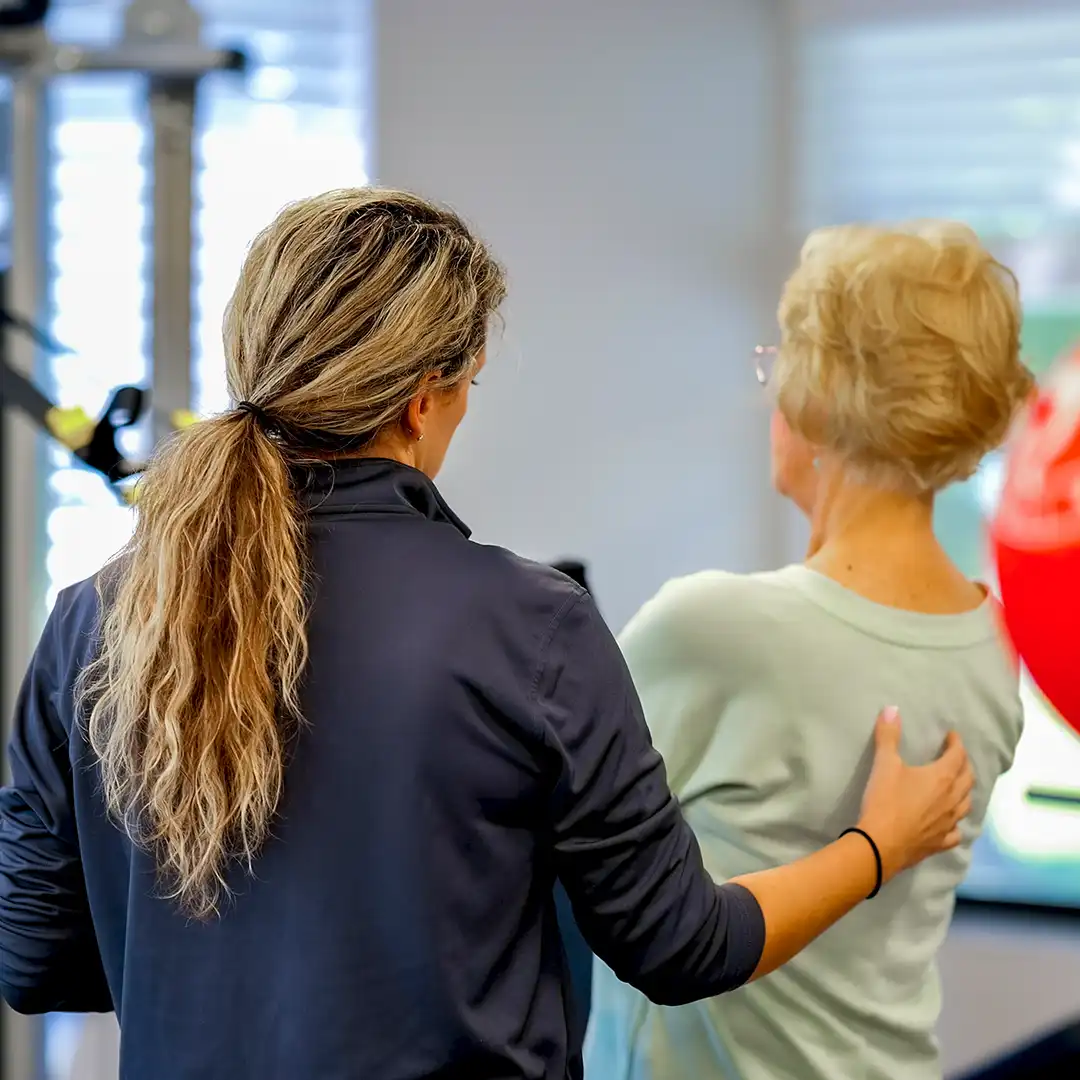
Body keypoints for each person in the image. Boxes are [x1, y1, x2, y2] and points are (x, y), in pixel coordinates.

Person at [0, 190, 974, 1080]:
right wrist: (880, 842)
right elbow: (684, 948)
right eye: (467, 382)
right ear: (427, 395)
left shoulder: (92, 618)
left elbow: (34, 959)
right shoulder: (529, 624)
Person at [585, 221, 1030, 1080]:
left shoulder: (714, 630)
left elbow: (543, 827)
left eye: (781, 360)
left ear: (822, 399)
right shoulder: (990, 647)